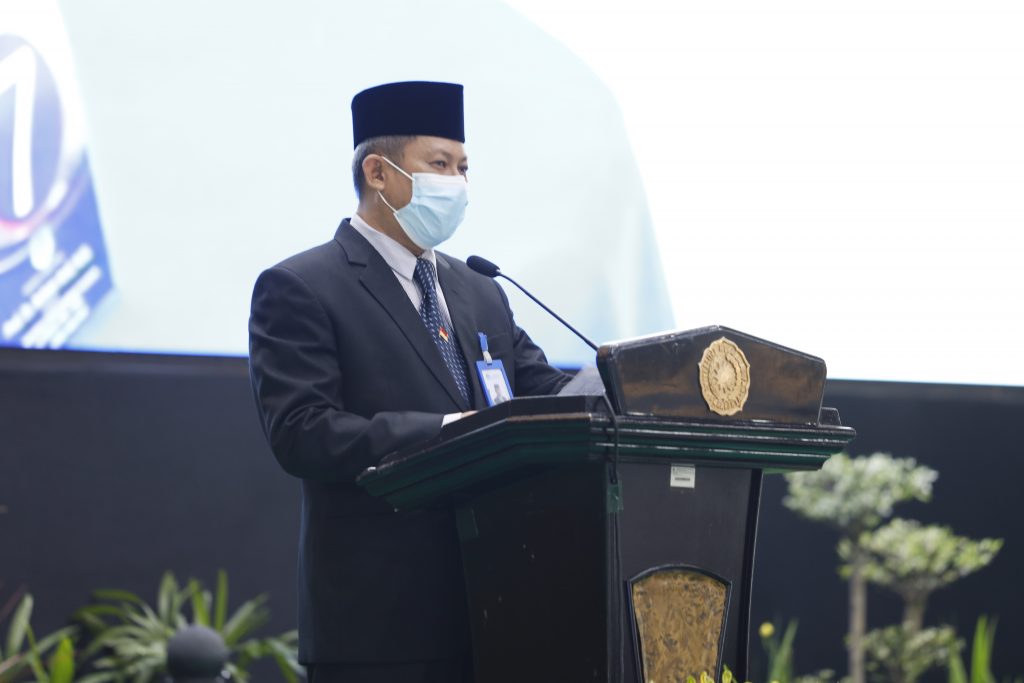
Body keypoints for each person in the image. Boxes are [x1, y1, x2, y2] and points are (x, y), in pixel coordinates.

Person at [248, 81, 569, 683]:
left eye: (464, 168)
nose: (459, 183)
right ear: (379, 172)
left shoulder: (480, 289)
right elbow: (303, 432)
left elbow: (545, 392)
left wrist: (630, 384)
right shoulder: (302, 286)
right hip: (380, 625)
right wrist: (451, 433)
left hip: (498, 611)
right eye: (440, 165)